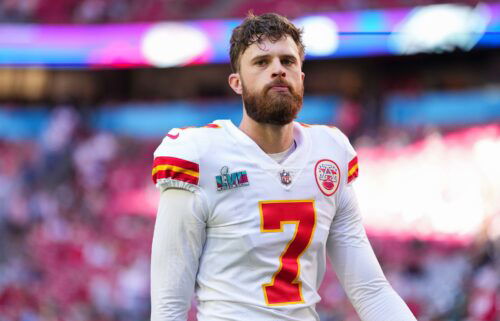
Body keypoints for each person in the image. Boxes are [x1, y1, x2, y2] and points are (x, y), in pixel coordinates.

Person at [150, 13, 417, 321]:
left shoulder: (329, 153)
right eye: (262, 62)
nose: (277, 70)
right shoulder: (200, 155)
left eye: (288, 61)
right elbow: (169, 306)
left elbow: (370, 289)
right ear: (237, 83)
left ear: (301, 77)